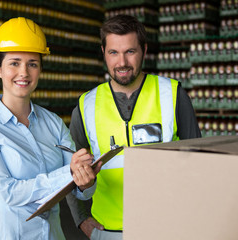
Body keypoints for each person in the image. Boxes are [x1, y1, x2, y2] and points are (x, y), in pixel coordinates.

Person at [66, 14, 202, 240]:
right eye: (113, 53)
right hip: (106, 230)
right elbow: (69, 171)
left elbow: (199, 165)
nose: (122, 63)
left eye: (130, 51)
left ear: (144, 51)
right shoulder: (86, 105)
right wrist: (80, 219)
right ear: (103, 53)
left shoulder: (173, 95)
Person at [0, 17, 102, 240]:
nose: (24, 73)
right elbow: (8, 192)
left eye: (32, 64)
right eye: (14, 63)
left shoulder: (53, 123)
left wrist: (85, 180)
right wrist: (69, 173)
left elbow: (81, 188)